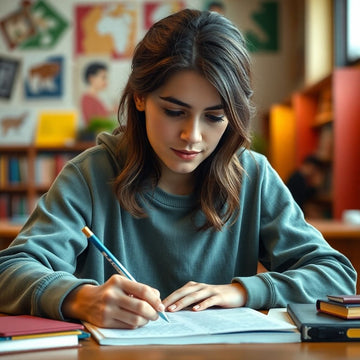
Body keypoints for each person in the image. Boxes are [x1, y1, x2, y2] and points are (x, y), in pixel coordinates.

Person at [0, 9, 356, 330]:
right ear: (139, 97)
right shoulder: (90, 176)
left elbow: (336, 276)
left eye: (215, 117)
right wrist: (78, 297)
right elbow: (9, 271)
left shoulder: (253, 176)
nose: (193, 136)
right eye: (174, 111)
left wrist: (243, 291)